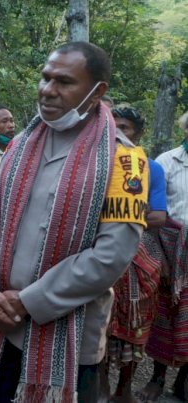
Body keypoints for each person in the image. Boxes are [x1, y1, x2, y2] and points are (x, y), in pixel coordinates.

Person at [0, 42, 147, 403]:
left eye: (64, 81)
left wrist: (29, 301)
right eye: (45, 78)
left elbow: (111, 256)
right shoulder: (20, 145)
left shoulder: (124, 161)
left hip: (68, 339)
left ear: (97, 91)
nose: (48, 90)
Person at [105, 104, 167, 403]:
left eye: (125, 128)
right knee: (101, 323)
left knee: (135, 323)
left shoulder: (150, 167)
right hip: (103, 253)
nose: (117, 133)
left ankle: (123, 389)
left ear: (138, 134)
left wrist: (125, 215)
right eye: (112, 126)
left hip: (139, 255)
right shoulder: (99, 162)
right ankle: (101, 386)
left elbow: (158, 216)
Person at [140, 110, 188, 402]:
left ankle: (182, 381)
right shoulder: (166, 161)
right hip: (170, 255)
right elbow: (153, 214)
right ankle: (157, 378)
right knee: (164, 316)